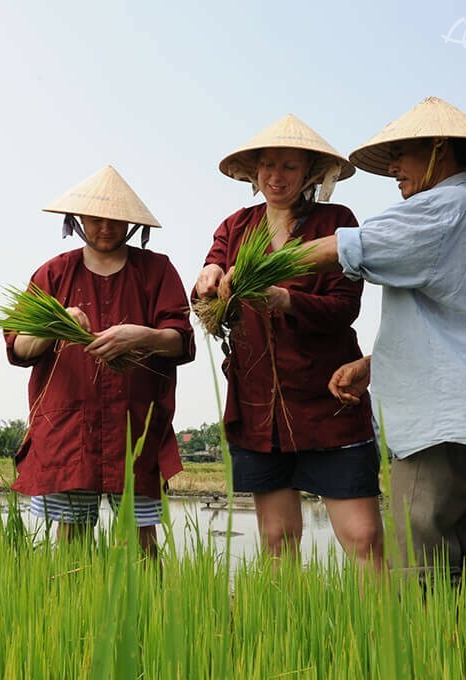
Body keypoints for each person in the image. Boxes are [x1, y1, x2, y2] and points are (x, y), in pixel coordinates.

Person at [302, 97, 466, 582]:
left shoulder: (448, 206)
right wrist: (374, 363)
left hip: (440, 423)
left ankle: (432, 635)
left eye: (400, 153)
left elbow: (354, 245)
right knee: (442, 563)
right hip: (458, 415)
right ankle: (454, 634)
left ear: (439, 148)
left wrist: (255, 268)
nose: (392, 167)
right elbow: (458, 318)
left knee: (419, 572)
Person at [193, 115, 384, 570]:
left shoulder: (336, 223)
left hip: (327, 396)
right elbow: (207, 291)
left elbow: (345, 306)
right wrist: (207, 280)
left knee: (363, 538)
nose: (276, 177)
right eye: (268, 166)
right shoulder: (235, 227)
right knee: (277, 538)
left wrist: (285, 298)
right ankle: (285, 617)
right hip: (260, 405)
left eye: (290, 167)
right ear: (254, 172)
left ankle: (381, 618)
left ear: (310, 174)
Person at [6, 165, 195, 557]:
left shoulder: (156, 271)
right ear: (77, 220)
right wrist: (56, 324)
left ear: (131, 224)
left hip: (135, 427)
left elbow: (180, 341)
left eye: (115, 220)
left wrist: (141, 336)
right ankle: (75, 599)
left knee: (140, 542)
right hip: (69, 429)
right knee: (72, 540)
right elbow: (19, 348)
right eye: (95, 219)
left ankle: (146, 601)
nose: (105, 228)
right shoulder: (53, 274)